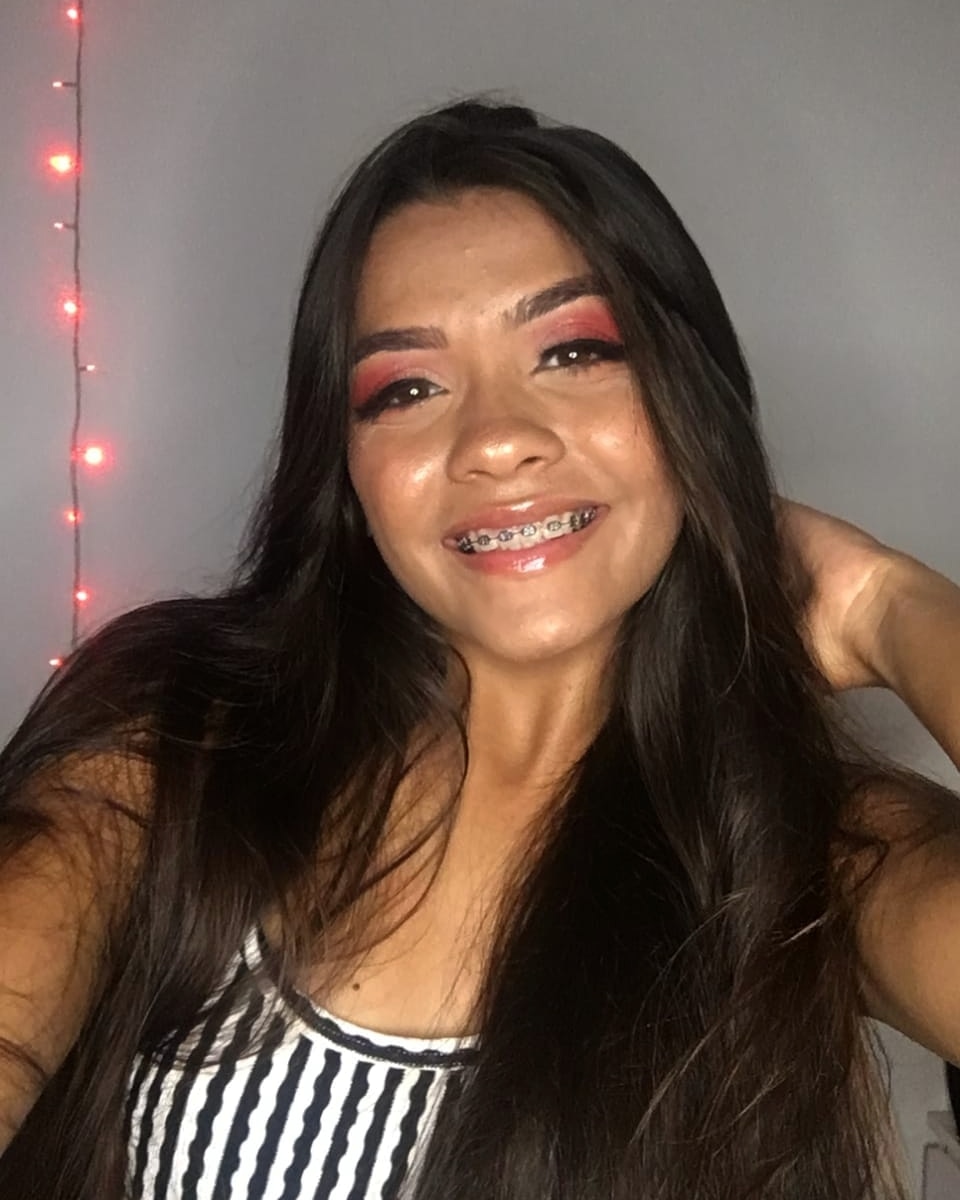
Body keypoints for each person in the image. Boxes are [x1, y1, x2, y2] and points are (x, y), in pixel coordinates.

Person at [1, 96, 959, 1200]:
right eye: (407, 388)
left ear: (688, 399)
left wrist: (889, 604)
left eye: (574, 350)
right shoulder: (174, 739)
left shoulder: (810, 849)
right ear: (349, 471)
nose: (498, 440)